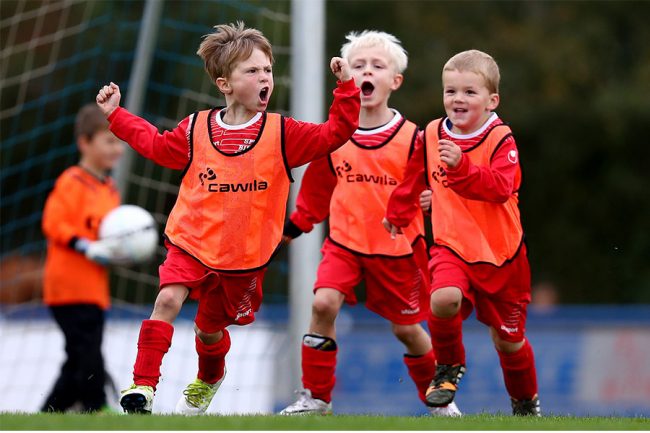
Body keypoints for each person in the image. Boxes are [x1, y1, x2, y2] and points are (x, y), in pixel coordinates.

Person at [95, 21, 360, 415]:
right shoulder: (196, 128)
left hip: (244, 258)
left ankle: (208, 377)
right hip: (190, 241)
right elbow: (156, 145)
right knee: (167, 298)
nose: (264, 77)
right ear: (225, 84)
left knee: (208, 328)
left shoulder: (283, 133)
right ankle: (142, 387)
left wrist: (346, 89)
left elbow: (335, 133)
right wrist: (117, 116)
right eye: (252, 71)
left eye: (268, 70)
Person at [279, 31, 460, 417]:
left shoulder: (415, 138)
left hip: (397, 250)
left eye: (377, 66)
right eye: (358, 65)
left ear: (395, 81)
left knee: (407, 330)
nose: (367, 72)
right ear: (346, 77)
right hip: (344, 243)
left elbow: (433, 186)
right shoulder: (335, 135)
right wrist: (297, 224)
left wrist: (431, 203)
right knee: (323, 303)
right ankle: (316, 398)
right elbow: (318, 186)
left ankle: (439, 401)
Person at [383, 49, 541, 416]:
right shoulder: (433, 133)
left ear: (491, 101)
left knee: (509, 342)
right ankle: (448, 367)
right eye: (450, 91)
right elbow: (414, 176)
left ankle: (524, 403)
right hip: (451, 246)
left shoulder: (501, 139)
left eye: (470, 92)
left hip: (502, 256)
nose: (458, 99)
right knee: (443, 298)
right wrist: (398, 210)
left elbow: (501, 187)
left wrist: (463, 168)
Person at [41, 103, 124, 412]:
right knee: (88, 353)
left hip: (94, 290)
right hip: (67, 289)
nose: (117, 149)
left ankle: (49, 414)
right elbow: (53, 223)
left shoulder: (111, 189)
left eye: (119, 142)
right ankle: (97, 407)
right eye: (109, 141)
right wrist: (83, 245)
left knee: (78, 357)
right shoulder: (71, 182)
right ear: (84, 143)